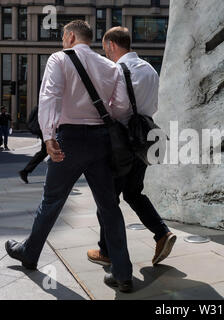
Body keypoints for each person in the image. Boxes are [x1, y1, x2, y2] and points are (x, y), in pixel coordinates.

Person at [5, 20, 135, 293]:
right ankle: (123, 274)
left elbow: (49, 95)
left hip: (69, 139)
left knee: (52, 200)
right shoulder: (111, 66)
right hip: (101, 142)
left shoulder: (59, 59)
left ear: (70, 36)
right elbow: (121, 107)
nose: (62, 42)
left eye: (64, 37)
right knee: (109, 207)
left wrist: (49, 135)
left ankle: (29, 253)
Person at [86, 26, 177, 268]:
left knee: (108, 198)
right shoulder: (148, 68)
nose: (106, 53)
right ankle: (162, 233)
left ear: (112, 45)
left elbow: (118, 109)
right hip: (143, 140)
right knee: (134, 192)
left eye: (106, 48)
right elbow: (154, 105)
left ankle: (107, 251)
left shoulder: (117, 70)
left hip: (121, 144)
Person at [18, 106, 47, 184]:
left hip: (42, 130)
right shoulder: (46, 104)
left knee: (45, 152)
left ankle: (26, 171)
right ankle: (25, 171)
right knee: (50, 151)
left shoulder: (39, 105)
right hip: (45, 130)